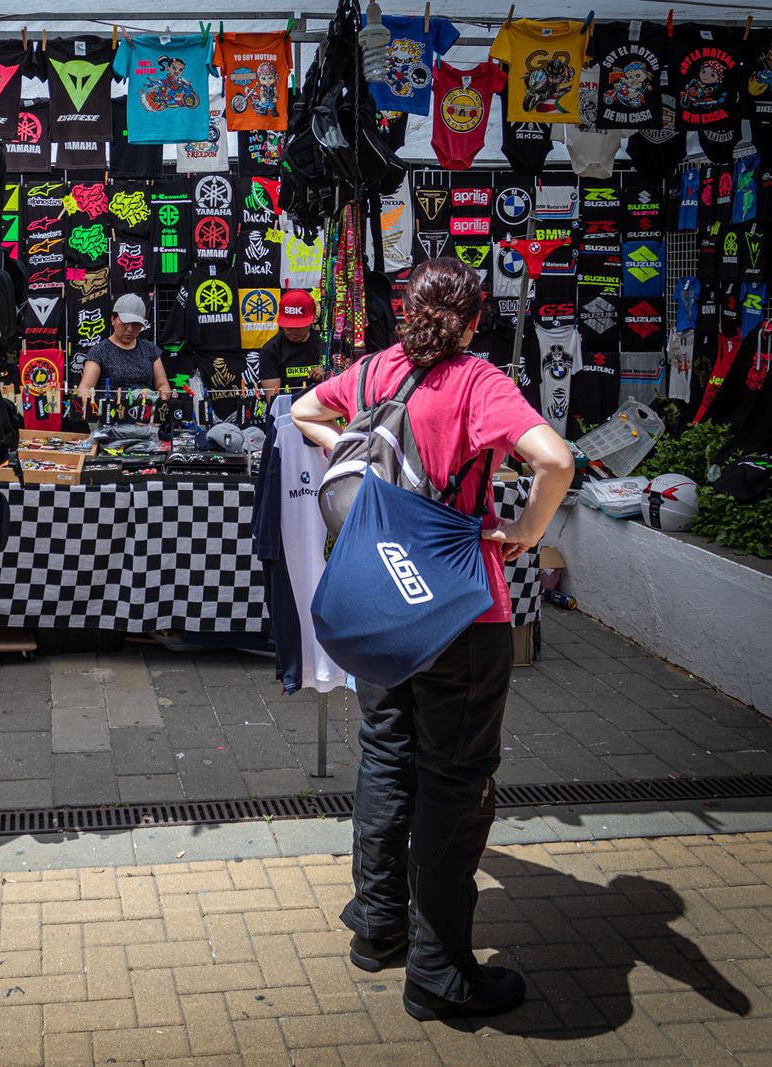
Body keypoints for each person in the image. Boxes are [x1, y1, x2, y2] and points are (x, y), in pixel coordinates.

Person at [290, 258, 574, 1021]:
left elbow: (300, 413)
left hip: (380, 604)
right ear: (474, 322)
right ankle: (440, 972)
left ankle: (378, 927)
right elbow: (556, 459)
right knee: (455, 780)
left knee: (386, 752)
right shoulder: (479, 383)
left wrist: (350, 454)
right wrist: (524, 530)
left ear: (405, 313)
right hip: (458, 611)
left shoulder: (376, 369)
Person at [77, 293, 174, 403]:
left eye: (136, 324)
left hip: (146, 413)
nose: (130, 329)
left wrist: (163, 397)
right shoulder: (99, 351)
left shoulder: (150, 349)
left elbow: (163, 384)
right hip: (111, 414)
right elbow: (86, 387)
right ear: (113, 319)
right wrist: (88, 410)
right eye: (125, 322)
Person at [257, 288, 326, 398]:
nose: (294, 330)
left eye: (299, 326)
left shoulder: (324, 345)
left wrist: (327, 376)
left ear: (312, 319)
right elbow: (274, 402)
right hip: (287, 411)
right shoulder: (270, 350)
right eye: (289, 326)